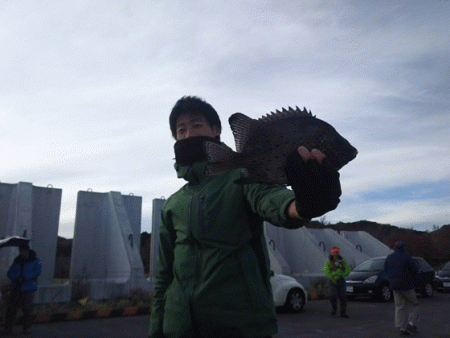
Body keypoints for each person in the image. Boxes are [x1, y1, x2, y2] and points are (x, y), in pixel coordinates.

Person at [148, 96, 342, 338]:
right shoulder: (172, 204)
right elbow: (164, 278)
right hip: (177, 329)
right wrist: (156, 330)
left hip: (241, 329)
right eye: (181, 129)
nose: (188, 135)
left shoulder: (242, 177)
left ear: (216, 130)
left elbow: (269, 197)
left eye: (197, 125)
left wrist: (302, 206)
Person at [3, 243, 41, 336]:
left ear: (27, 250)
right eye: (20, 251)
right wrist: (17, 277)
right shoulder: (17, 260)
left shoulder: (36, 260)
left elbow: (37, 272)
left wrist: (25, 277)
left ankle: (27, 328)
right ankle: (8, 329)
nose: (21, 253)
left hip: (28, 289)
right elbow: (10, 273)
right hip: (16, 288)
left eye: (22, 251)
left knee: (28, 310)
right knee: (11, 309)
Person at [384, 241, 420, 336]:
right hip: (407, 286)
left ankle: (401, 327)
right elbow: (415, 270)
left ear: (395, 247)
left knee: (400, 307)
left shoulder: (389, 258)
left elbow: (386, 270)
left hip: (395, 286)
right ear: (404, 247)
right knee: (414, 304)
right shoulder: (407, 257)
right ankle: (411, 324)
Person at [324, 246, 350, 318]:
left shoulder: (343, 261)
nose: (336, 254)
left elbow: (347, 270)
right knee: (333, 295)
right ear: (331, 253)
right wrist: (332, 278)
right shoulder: (328, 261)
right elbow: (327, 271)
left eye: (337, 252)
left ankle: (343, 312)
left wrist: (342, 275)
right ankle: (334, 308)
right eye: (334, 252)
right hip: (333, 281)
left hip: (341, 280)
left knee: (343, 297)